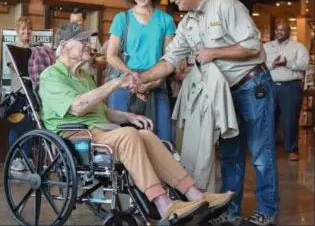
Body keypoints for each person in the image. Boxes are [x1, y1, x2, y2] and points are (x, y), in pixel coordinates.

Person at [39, 22, 235, 223]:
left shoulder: (84, 76)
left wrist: (130, 117)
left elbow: (104, 112)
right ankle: (162, 203)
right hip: (77, 138)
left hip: (101, 132)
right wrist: (115, 82)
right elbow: (78, 107)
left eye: (87, 40)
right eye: (82, 40)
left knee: (146, 134)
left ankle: (196, 195)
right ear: (63, 46)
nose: (88, 44)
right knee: (129, 135)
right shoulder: (51, 76)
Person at [137, 0, 279, 226]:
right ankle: (231, 211)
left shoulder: (226, 5)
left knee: (261, 153)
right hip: (223, 94)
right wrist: (140, 78)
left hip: (251, 86)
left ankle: (267, 211)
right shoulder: (188, 22)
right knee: (229, 155)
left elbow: (252, 46)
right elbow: (170, 60)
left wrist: (213, 52)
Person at [107, 0, 175, 142]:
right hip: (126, 86)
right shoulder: (122, 19)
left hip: (157, 86)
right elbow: (111, 55)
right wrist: (132, 76)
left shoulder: (166, 20)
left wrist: (155, 81)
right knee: (124, 140)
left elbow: (168, 58)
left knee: (163, 140)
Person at [264, 22, 309, 161]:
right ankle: (268, 150)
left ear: (288, 31)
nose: (280, 32)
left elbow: (305, 63)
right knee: (268, 119)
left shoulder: (298, 46)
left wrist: (287, 63)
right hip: (270, 86)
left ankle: (292, 150)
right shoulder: (266, 47)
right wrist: (272, 64)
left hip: (290, 87)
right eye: (278, 30)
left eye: (283, 30)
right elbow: (259, 64)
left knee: (290, 119)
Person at [6, 16, 33, 171]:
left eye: (29, 29)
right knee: (16, 125)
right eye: (23, 29)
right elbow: (16, 66)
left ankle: (27, 157)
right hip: (18, 92)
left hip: (31, 92)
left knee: (29, 126)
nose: (26, 32)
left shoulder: (34, 48)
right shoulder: (11, 48)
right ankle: (15, 159)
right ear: (17, 31)